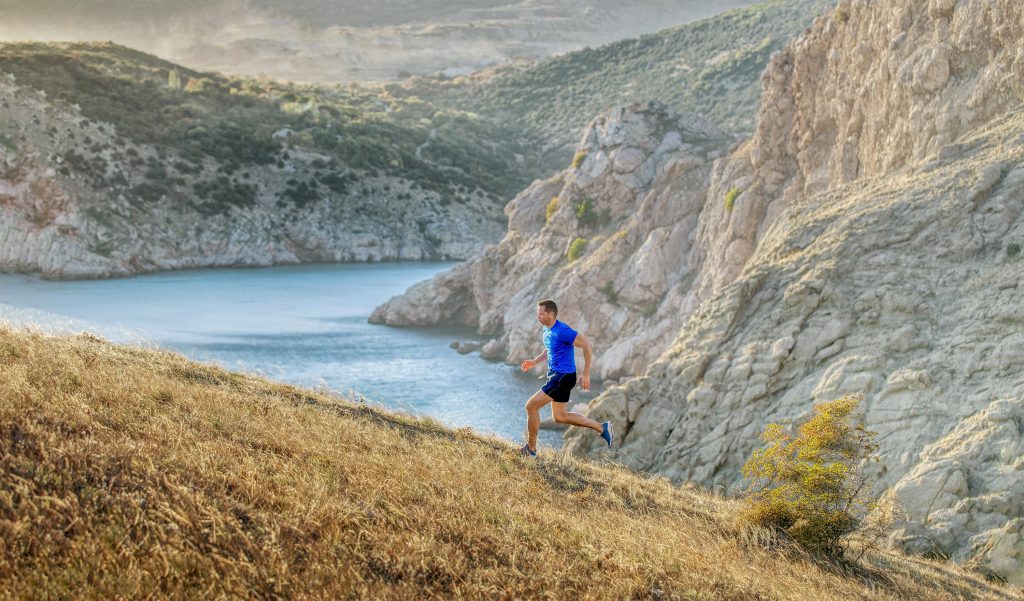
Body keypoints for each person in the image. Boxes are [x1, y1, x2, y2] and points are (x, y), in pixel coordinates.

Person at [519, 299, 612, 457]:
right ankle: (602, 428)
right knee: (560, 417)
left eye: (541, 314)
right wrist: (534, 362)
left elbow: (587, 345)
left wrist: (587, 373)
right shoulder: (547, 329)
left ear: (551, 314)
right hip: (557, 376)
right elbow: (549, 348)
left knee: (531, 406)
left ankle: (531, 449)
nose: (538, 317)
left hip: (562, 378)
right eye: (537, 314)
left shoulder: (563, 330)